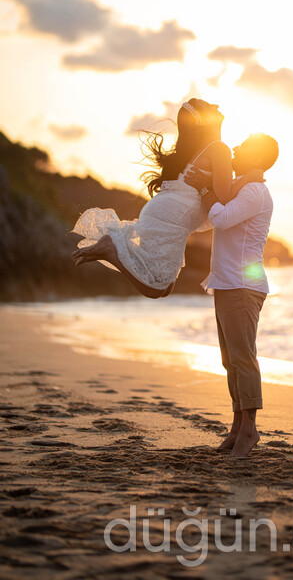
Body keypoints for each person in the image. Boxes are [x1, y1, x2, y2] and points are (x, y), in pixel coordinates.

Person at [71, 99, 263, 299]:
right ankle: (112, 249)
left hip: (163, 212)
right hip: (172, 216)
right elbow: (224, 198)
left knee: (166, 288)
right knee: (156, 287)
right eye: (210, 106)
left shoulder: (203, 149)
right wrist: (248, 179)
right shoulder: (218, 148)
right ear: (206, 120)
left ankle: (113, 247)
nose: (216, 106)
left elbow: (216, 183)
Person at [184, 133, 279, 458]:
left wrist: (209, 188)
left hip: (242, 286)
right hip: (228, 283)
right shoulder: (243, 185)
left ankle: (250, 430)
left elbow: (221, 217)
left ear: (256, 157)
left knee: (242, 358)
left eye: (242, 147)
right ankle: (238, 427)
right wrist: (209, 184)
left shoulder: (254, 190)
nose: (234, 149)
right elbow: (220, 205)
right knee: (230, 361)